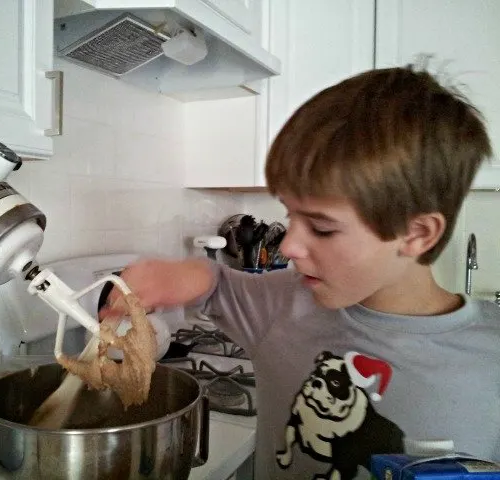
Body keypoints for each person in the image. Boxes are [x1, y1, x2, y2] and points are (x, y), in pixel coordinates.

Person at [101, 66, 500, 480]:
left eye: (322, 227)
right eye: (290, 216)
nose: (289, 245)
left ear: (416, 234)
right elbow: (216, 283)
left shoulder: (491, 360)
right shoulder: (284, 302)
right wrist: (178, 275)